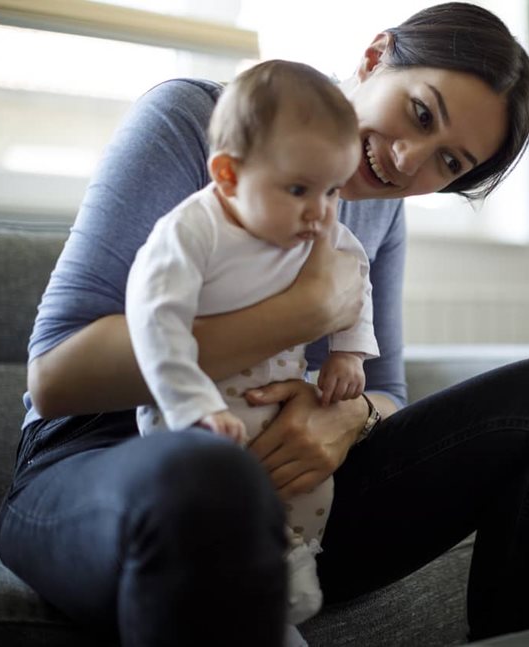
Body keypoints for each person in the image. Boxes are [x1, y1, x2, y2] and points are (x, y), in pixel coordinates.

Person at [0, 3, 529, 646]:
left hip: (287, 494)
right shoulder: (196, 122)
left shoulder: (382, 217)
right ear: (375, 58)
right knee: (206, 477)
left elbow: (388, 393)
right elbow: (55, 377)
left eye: (449, 163)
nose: (408, 163)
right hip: (102, 466)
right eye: (421, 113)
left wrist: (344, 420)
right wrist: (300, 315)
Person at [124, 59, 378, 627]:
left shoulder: (317, 224)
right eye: (298, 189)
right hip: (197, 410)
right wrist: (194, 406)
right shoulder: (193, 231)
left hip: (277, 405)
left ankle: (293, 562)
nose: (320, 212)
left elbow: (355, 273)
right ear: (230, 175)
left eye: (332, 190)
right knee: (213, 509)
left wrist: (348, 350)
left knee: (311, 496)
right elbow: (154, 321)